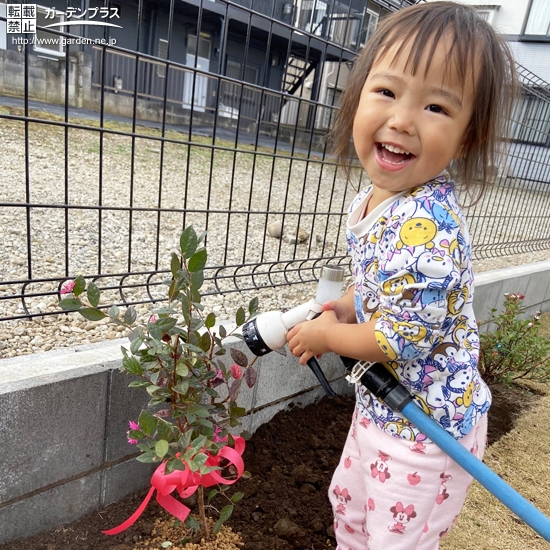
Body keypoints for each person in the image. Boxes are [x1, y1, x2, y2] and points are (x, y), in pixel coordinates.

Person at [286, 2, 518, 548]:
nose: (401, 120)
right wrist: (346, 304)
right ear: (359, 93)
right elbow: (377, 289)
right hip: (387, 408)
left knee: (397, 539)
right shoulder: (378, 199)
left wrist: (325, 334)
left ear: (466, 137)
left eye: (436, 106)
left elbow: (397, 339)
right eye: (387, 92)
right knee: (351, 508)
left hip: (429, 433)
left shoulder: (428, 233)